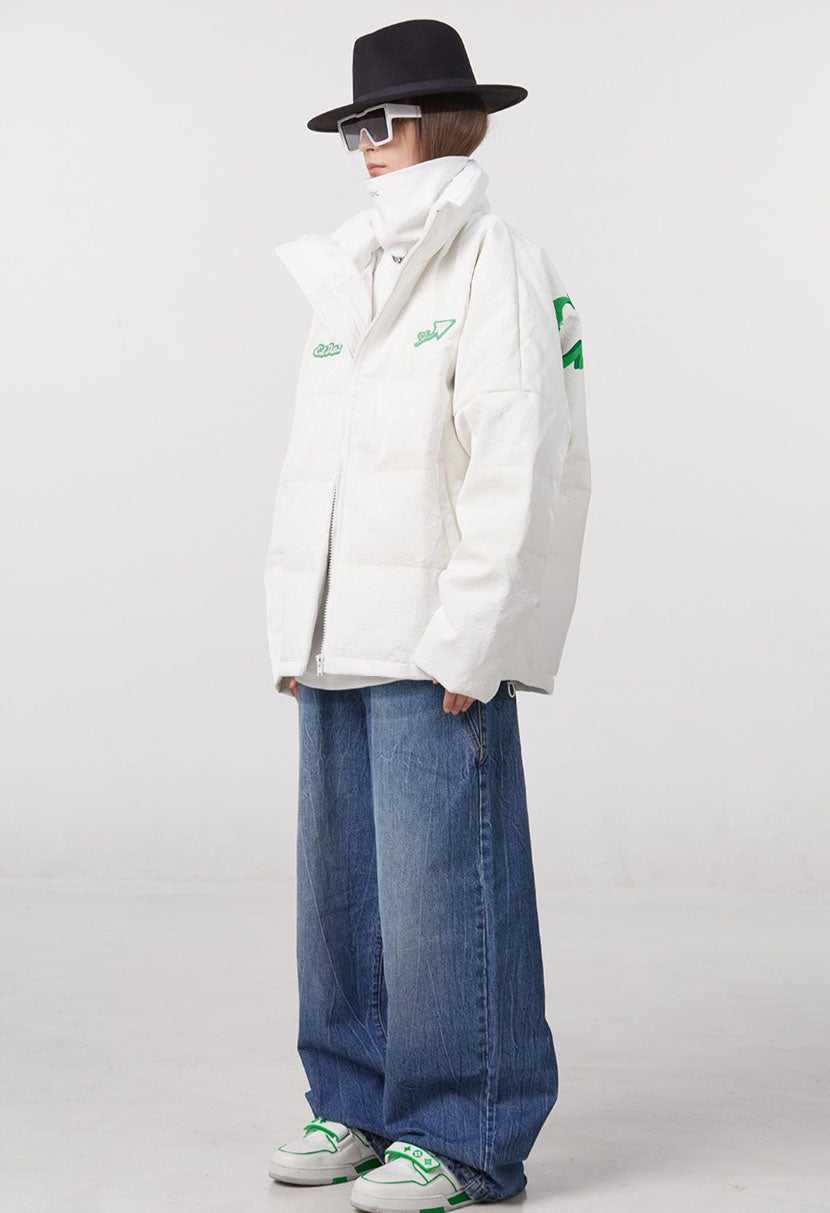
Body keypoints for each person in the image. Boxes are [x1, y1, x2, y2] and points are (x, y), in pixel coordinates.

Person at [264, 19, 591, 1211]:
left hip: (432, 632)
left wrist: (476, 636)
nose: (365, 142)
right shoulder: (346, 271)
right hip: (339, 634)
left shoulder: (493, 259)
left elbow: (520, 458)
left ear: (449, 121)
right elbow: (320, 464)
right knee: (342, 893)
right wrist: (295, 624)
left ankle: (464, 1138)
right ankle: (355, 1102)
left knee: (442, 888)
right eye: (353, 124)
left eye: (385, 121)